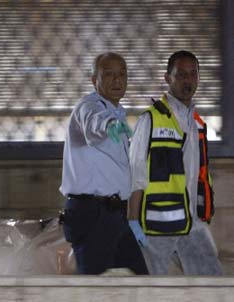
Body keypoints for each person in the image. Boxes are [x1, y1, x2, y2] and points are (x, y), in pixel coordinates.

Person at [128, 50, 223, 275]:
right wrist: (133, 220)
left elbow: (195, 176)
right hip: (157, 226)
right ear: (167, 78)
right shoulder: (150, 120)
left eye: (193, 74)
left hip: (190, 222)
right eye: (181, 74)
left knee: (211, 282)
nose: (188, 80)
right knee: (155, 289)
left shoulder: (197, 125)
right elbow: (135, 174)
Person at [59, 52, 148, 275]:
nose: (117, 80)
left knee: (140, 281)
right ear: (94, 80)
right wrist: (109, 126)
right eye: (108, 74)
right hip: (92, 214)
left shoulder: (115, 111)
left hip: (114, 215)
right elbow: (93, 123)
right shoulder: (88, 107)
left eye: (122, 74)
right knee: (93, 288)